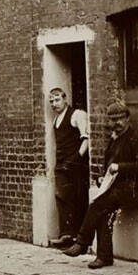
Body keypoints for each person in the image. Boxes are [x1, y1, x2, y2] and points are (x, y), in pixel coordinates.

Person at [65, 102, 138, 269]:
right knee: (103, 212)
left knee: (98, 204)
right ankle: (104, 257)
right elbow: (108, 165)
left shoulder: (136, 137)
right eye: (112, 120)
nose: (116, 123)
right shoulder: (114, 139)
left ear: (127, 118)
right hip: (118, 188)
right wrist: (102, 177)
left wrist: (120, 167)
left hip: (136, 189)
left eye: (120, 119)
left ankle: (82, 242)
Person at [48, 88, 90, 248]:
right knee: (62, 197)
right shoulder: (55, 120)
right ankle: (66, 234)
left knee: (78, 198)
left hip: (75, 164)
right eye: (51, 101)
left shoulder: (77, 115)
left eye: (57, 99)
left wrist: (76, 158)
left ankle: (79, 237)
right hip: (61, 164)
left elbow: (86, 138)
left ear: (65, 99)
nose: (54, 104)